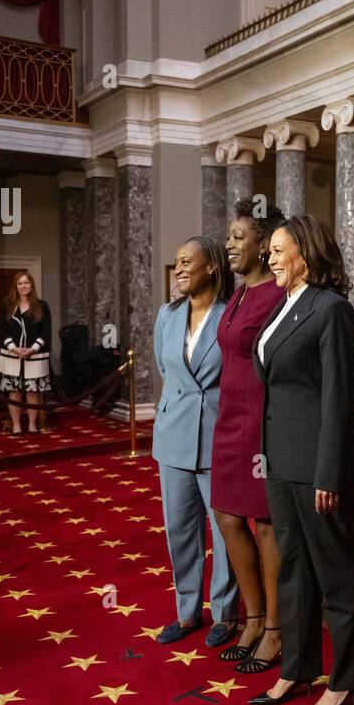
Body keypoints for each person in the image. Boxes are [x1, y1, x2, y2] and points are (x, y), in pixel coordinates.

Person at [249, 215, 354, 705]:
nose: (270, 258)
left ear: (306, 252)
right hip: (279, 461)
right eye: (269, 251)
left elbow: (337, 398)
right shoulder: (283, 305)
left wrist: (328, 473)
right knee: (293, 571)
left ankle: (344, 681)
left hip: (316, 466)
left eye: (278, 250)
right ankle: (296, 669)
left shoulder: (331, 308)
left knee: (334, 575)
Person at [151, 236, 239, 645]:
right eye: (178, 262)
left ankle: (225, 614)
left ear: (212, 268)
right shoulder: (167, 315)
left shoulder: (230, 315)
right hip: (172, 439)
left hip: (217, 439)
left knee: (225, 535)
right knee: (180, 531)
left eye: (189, 262)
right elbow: (165, 370)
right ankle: (187, 613)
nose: (180, 269)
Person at [212, 198, 287, 670]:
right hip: (229, 419)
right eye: (228, 237)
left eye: (238, 237)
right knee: (226, 515)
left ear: (262, 245)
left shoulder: (278, 294)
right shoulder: (238, 293)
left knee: (265, 523)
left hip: (262, 420)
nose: (228, 244)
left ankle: (275, 628)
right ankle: (254, 617)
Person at [0, 271, 52, 434]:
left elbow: (46, 331)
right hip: (12, 355)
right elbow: (2, 329)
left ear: (31, 285)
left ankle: (32, 425)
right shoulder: (7, 305)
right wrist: (13, 348)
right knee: (14, 392)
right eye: (20, 283)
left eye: (26, 283)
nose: (23, 286)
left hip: (35, 355)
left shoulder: (42, 306)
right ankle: (16, 425)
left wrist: (33, 348)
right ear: (15, 286)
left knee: (32, 392)